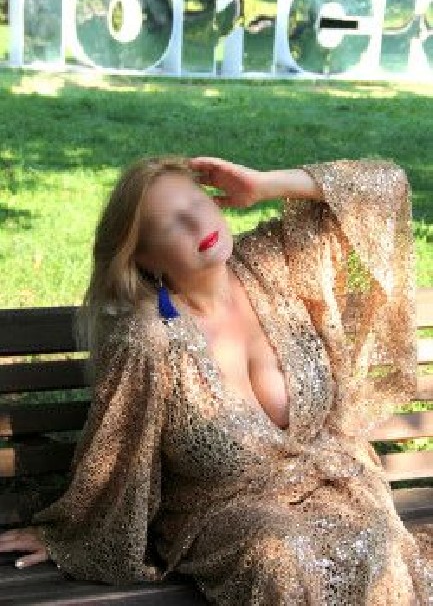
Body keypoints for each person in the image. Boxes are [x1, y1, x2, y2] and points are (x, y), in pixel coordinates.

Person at [0, 155, 431, 605]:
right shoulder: (148, 340)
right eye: (171, 223)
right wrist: (68, 532)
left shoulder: (272, 264)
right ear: (145, 259)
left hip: (333, 488)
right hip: (227, 513)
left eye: (197, 202)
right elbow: (117, 450)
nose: (196, 222)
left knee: (377, 547)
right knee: (280, 555)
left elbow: (383, 186)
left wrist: (264, 184)